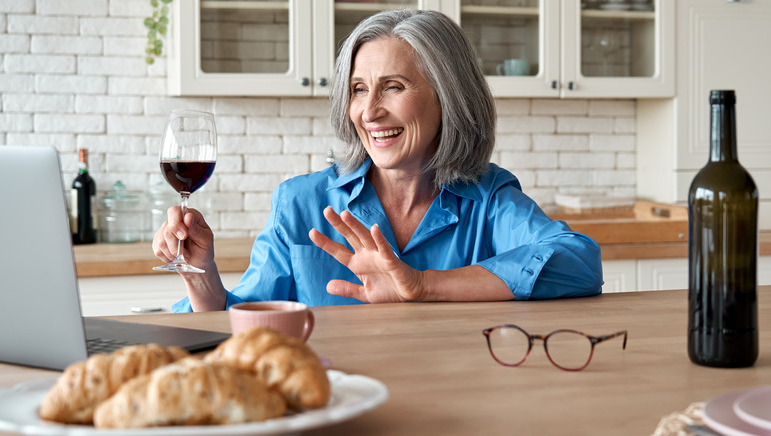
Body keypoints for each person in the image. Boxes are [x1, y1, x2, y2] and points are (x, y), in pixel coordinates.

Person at [153, 9, 603, 312]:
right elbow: (242, 321)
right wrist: (201, 271)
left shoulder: (488, 198)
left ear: (448, 97)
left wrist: (421, 285)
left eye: (393, 87)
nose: (369, 112)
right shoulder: (300, 203)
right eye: (358, 89)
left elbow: (579, 262)